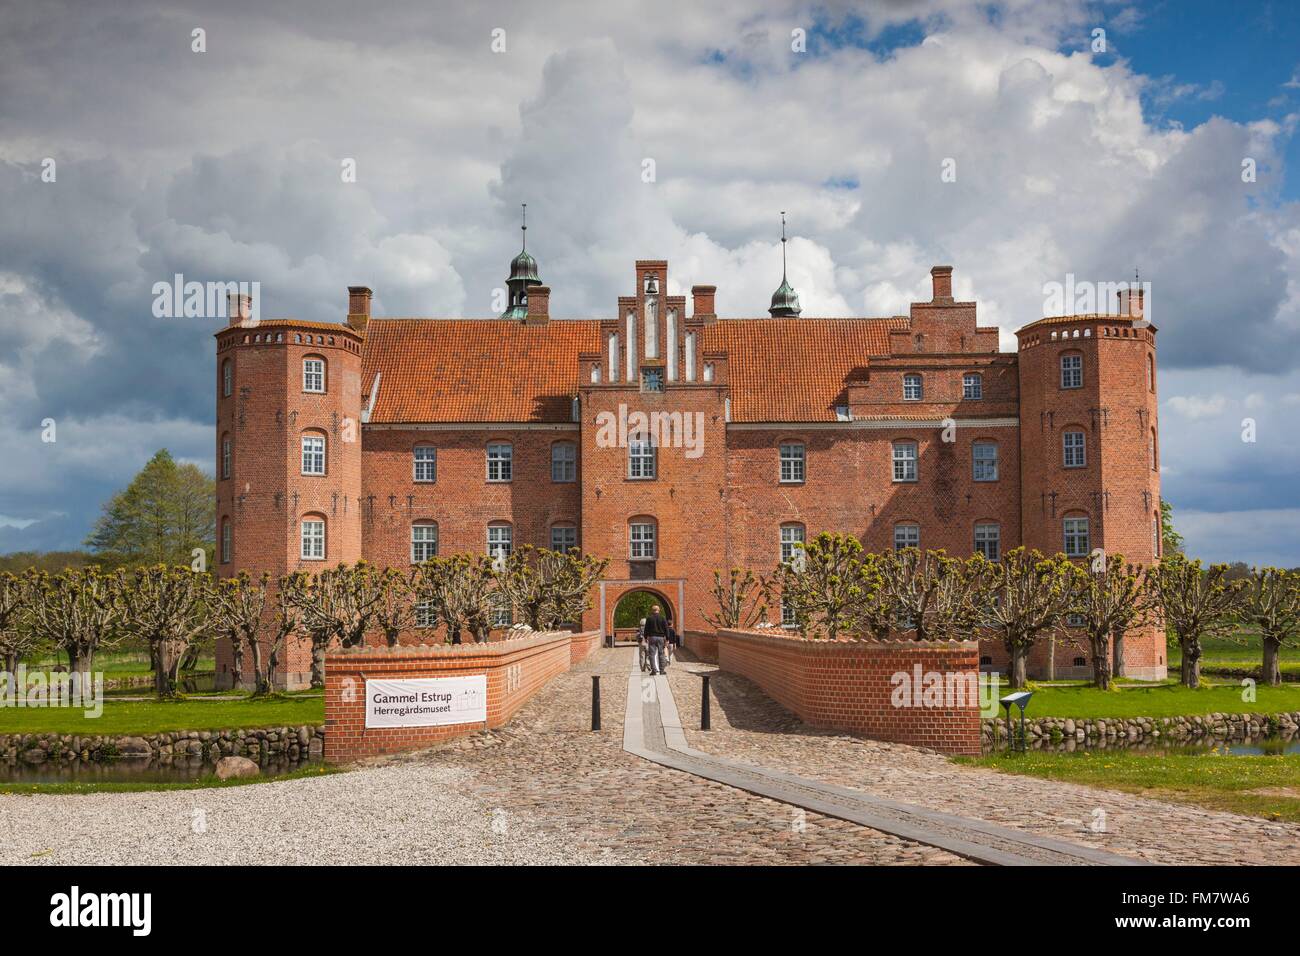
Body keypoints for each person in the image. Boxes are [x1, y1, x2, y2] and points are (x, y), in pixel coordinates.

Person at [643, 604, 670, 675]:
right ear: (659, 610)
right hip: (661, 638)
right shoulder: (663, 618)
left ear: (652, 611)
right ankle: (662, 670)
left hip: (652, 637)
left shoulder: (649, 618)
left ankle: (654, 670)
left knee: (651, 654)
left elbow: (646, 629)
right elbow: (666, 629)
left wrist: (645, 637)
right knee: (661, 654)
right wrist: (667, 638)